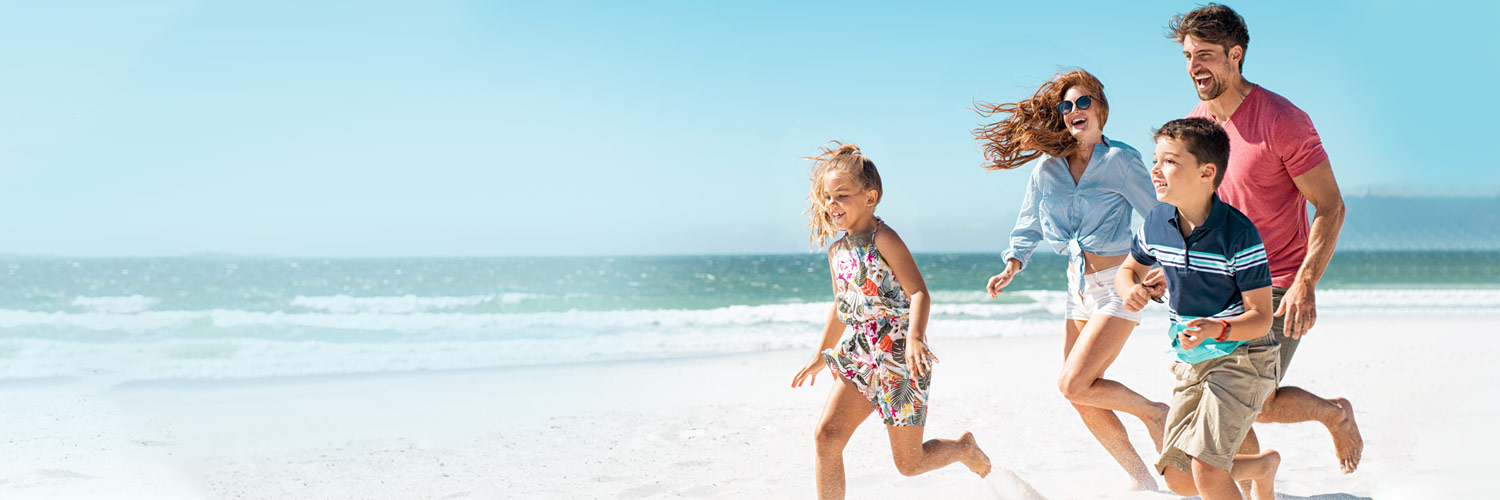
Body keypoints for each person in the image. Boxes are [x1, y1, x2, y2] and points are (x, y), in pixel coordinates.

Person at [1165, 3, 1362, 474]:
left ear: (1236, 55)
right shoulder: (1197, 124)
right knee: (1233, 394)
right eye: (1189, 55)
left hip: (1275, 282)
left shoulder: (1282, 120)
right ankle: (1256, 479)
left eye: (1206, 55)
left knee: (1248, 398)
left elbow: (1331, 206)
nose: (1195, 67)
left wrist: (1305, 283)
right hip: (1218, 283)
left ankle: (1333, 415)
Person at [973, 69, 1167, 490]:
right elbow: (1027, 225)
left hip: (1119, 282)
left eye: (1083, 102)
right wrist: (1012, 265)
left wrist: (1164, 265)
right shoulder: (1047, 169)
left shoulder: (1122, 161)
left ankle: (1155, 413)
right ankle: (1141, 480)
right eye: (1066, 105)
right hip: (1076, 288)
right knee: (1078, 393)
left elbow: (1159, 215)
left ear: (1100, 108)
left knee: (1074, 381)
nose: (1075, 110)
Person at [790, 143, 992, 499]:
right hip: (859, 354)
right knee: (827, 437)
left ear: (870, 197)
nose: (832, 205)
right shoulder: (837, 251)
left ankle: (963, 448)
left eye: (841, 195)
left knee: (909, 464)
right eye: (827, 197)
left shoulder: (885, 238)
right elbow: (842, 305)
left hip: (900, 357)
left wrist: (915, 338)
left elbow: (919, 293)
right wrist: (821, 353)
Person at [1118, 117, 1282, 500]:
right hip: (1190, 357)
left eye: (1170, 161)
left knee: (1206, 469)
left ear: (1208, 172)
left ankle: (1247, 470)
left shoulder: (1238, 234)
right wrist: (1131, 290)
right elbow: (1130, 269)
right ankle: (1260, 466)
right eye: (1155, 160)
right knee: (1179, 477)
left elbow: (1260, 318)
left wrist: (1216, 329)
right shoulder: (1157, 222)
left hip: (1242, 356)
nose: (1155, 170)